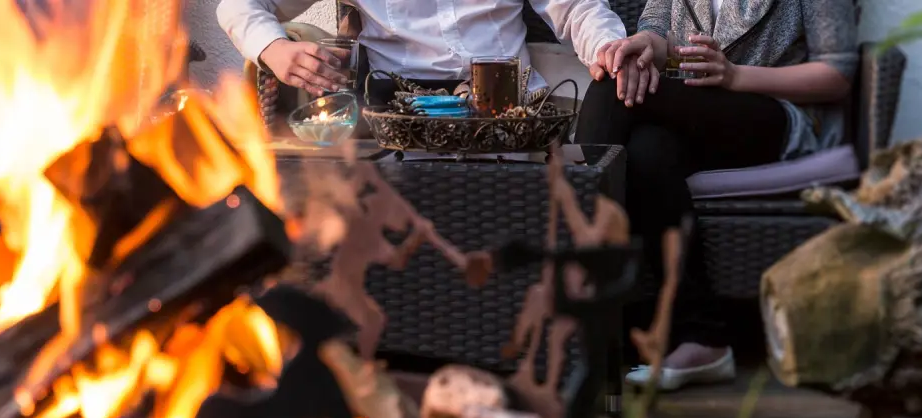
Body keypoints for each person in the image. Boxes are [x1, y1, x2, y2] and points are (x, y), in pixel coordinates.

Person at [576, 0, 858, 390]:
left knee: (609, 92)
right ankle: (701, 337)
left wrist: (736, 76)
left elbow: (836, 74)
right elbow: (657, 29)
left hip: (778, 113)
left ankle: (584, 332)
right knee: (648, 151)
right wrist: (641, 47)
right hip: (694, 111)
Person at [216, 0, 627, 102]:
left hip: (509, 108)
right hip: (400, 112)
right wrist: (273, 49)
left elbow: (577, 8)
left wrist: (607, 48)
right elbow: (239, 4)